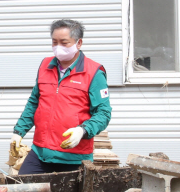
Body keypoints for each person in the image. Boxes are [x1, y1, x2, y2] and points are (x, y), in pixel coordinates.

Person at [12, 19, 112, 175]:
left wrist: (82, 130)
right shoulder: (45, 66)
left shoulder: (93, 72)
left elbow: (103, 113)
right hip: (41, 153)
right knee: (23, 189)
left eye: (64, 43)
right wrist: (19, 132)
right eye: (54, 42)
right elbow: (34, 103)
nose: (58, 47)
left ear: (78, 43)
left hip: (74, 158)